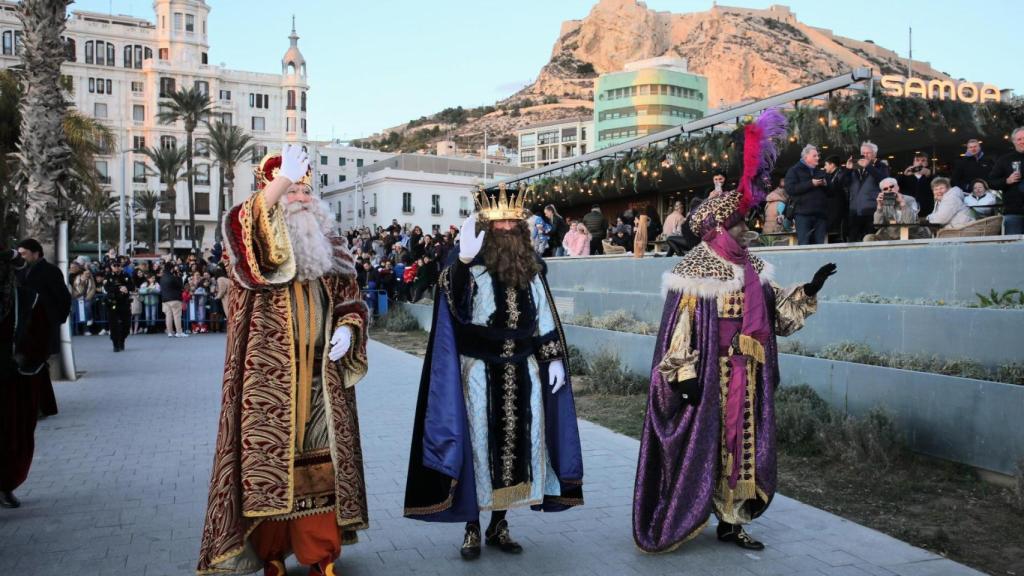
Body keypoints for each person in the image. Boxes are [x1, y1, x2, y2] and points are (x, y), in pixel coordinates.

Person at [634, 109, 836, 554]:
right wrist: (683, 376)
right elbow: (680, 330)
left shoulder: (756, 267)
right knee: (702, 449)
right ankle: (686, 512)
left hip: (750, 375)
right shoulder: (697, 270)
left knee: (744, 448)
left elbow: (779, 316)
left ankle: (733, 521)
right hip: (709, 377)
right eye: (743, 224)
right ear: (724, 229)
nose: (751, 230)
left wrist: (810, 289)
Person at [197, 146, 371, 576]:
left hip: (321, 382)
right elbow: (241, 232)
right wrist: (278, 186)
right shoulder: (252, 251)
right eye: (290, 192)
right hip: (268, 383)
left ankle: (320, 556)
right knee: (267, 468)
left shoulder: (331, 252)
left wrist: (349, 329)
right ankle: (271, 553)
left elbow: (351, 300)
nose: (300, 199)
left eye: (305, 192)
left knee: (322, 466)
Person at [404, 184, 584, 560]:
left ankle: (500, 522)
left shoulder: (532, 268)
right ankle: (472, 526)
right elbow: (450, 303)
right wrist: (463, 264)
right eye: (498, 221)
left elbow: (544, 316)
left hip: (524, 370)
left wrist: (552, 359)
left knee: (518, 447)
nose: (505, 228)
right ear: (485, 225)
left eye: (512, 222)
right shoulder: (466, 262)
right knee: (478, 449)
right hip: (478, 372)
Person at [0, 247, 52, 509]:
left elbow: (42, 336)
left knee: (12, 434)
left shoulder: (27, 299)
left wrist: (25, 358)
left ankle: (5, 484)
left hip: (13, 378)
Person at [14, 238, 65, 415]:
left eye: (23, 254)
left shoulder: (50, 272)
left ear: (36, 253)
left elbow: (62, 299)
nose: (21, 257)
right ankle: (43, 405)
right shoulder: (19, 272)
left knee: (36, 365)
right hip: (25, 328)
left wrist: (55, 320)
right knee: (36, 367)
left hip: (44, 326)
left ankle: (37, 406)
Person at [844, 141, 889, 243]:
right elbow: (844, 184)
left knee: (870, 240)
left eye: (868, 153)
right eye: (863, 153)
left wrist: (868, 166)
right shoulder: (855, 167)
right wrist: (848, 170)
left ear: (875, 154)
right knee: (852, 241)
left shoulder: (881, 166)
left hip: (871, 210)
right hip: (854, 210)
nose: (864, 155)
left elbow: (884, 181)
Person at [784, 144, 829, 245]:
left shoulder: (820, 171)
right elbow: (790, 189)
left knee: (820, 245)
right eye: (815, 156)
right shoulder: (794, 170)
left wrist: (826, 184)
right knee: (804, 244)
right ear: (806, 157)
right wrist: (811, 183)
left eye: (818, 156)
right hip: (803, 214)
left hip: (820, 215)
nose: (818, 158)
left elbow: (831, 193)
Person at [988, 127, 1024, 235]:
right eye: (1019, 139)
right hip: (1014, 212)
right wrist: (1007, 181)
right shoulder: (1005, 159)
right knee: (1013, 248)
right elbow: (991, 182)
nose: (1022, 141)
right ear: (1013, 141)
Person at [102, 260, 133, 352]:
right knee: (114, 325)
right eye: (114, 265)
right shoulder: (108, 276)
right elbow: (107, 288)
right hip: (113, 303)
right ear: (111, 266)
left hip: (124, 303)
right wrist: (120, 288)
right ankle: (115, 344)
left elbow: (132, 285)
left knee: (126, 324)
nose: (116, 267)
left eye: (118, 265)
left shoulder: (126, 275)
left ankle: (122, 340)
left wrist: (126, 288)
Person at [897, 152, 935, 217]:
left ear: (927, 163)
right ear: (913, 163)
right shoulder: (905, 177)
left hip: (927, 213)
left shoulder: (931, 177)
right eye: (917, 160)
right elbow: (893, 185)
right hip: (907, 212)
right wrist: (904, 175)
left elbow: (940, 185)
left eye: (923, 160)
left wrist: (929, 175)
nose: (920, 162)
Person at [823, 157, 847, 241]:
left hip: (838, 213)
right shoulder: (830, 176)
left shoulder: (841, 174)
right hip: (832, 212)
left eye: (826, 165)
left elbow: (837, 191)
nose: (824, 167)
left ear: (832, 164)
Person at [159, 266, 185, 338]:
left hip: (165, 300)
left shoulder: (162, 278)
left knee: (168, 316)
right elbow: (180, 286)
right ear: (171, 269)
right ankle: (179, 332)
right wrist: (179, 277)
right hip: (175, 299)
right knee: (177, 316)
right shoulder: (174, 277)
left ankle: (170, 332)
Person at [70, 265, 96, 336]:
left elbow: (93, 289)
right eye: (86, 273)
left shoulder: (91, 279)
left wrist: (88, 297)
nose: (88, 275)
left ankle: (86, 329)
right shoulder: (77, 279)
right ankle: (75, 330)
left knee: (86, 307)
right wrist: (82, 283)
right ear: (82, 273)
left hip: (87, 298)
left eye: (89, 273)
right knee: (74, 312)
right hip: (77, 298)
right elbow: (75, 290)